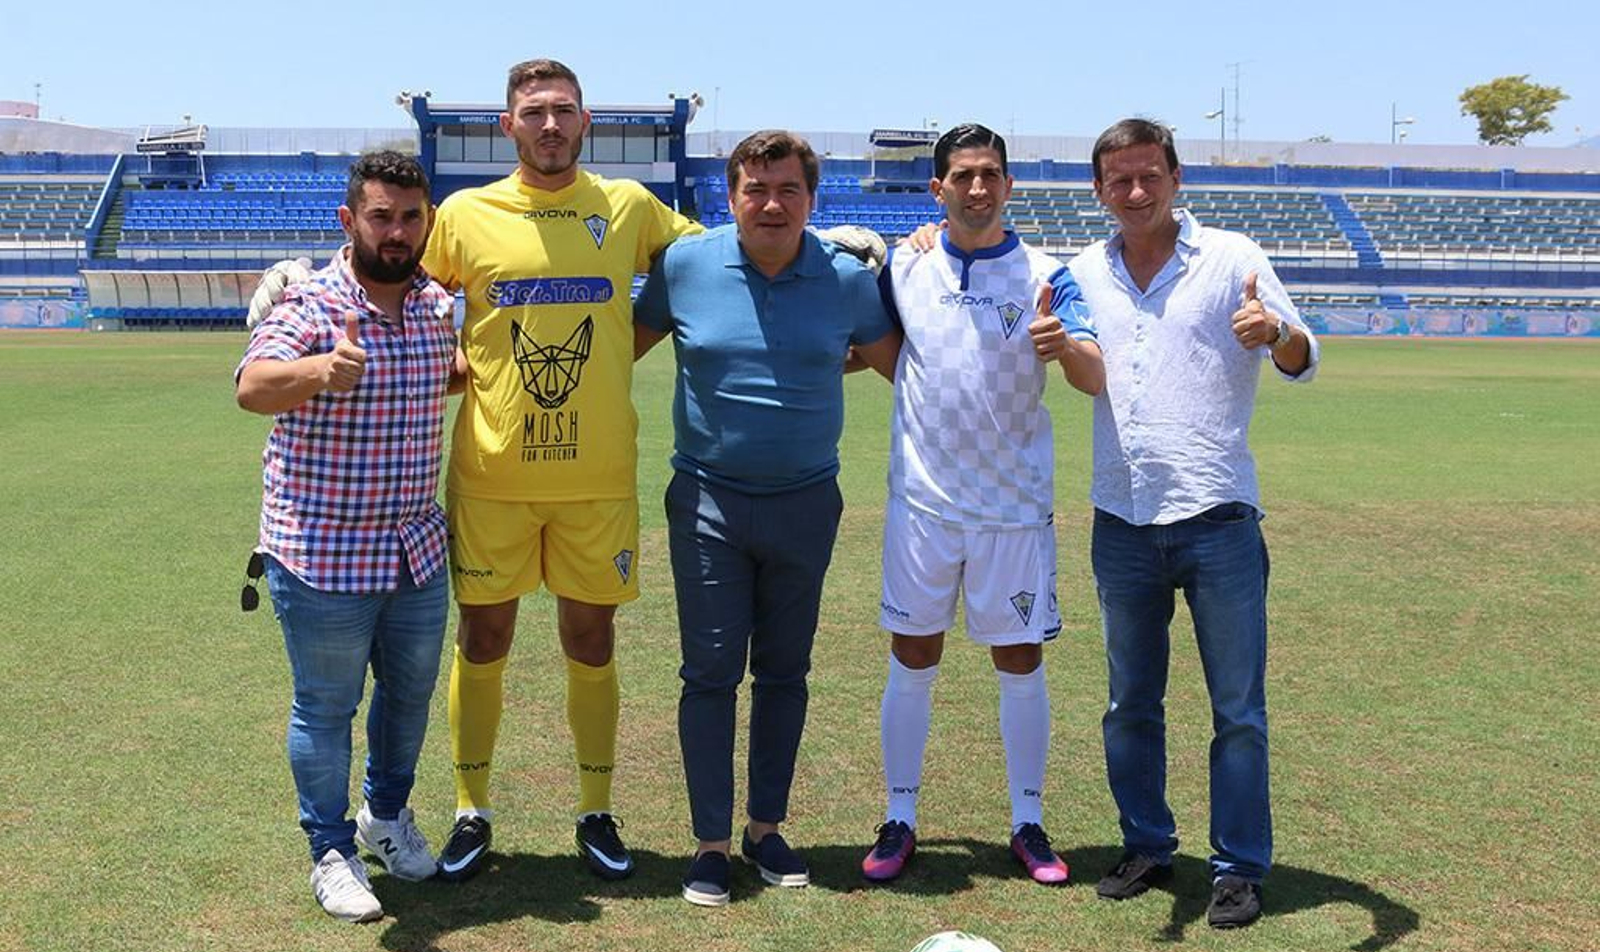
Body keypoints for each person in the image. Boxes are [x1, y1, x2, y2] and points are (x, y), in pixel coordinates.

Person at [419, 59, 703, 883]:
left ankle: (596, 809)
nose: (550, 125)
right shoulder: (464, 216)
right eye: (534, 112)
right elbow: (408, 305)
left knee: (591, 635)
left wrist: (834, 244)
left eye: (564, 111)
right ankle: (472, 810)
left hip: (596, 476)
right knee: (484, 636)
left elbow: (719, 257)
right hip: (492, 475)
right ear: (507, 126)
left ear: (587, 123)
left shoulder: (627, 207)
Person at [633, 130, 901, 907]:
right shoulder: (684, 265)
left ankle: (766, 828)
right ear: (732, 196)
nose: (772, 203)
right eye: (756, 189)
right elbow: (617, 349)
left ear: (812, 199)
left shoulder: (847, 278)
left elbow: (904, 363)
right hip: (708, 502)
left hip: (808, 503)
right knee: (710, 673)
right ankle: (711, 843)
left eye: (788, 189)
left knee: (786, 672)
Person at [1069, 119, 1319, 928]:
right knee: (1129, 704)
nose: (1136, 192)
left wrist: (1275, 332)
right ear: (1100, 190)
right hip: (1123, 517)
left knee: (1237, 709)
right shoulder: (1084, 270)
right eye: (1119, 180)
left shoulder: (1233, 258)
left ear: (1176, 178)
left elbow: (1304, 356)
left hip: (1219, 520)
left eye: (1149, 176)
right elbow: (989, 249)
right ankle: (1147, 843)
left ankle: (1239, 867)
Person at [857, 124, 1104, 887]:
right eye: (962, 174)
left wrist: (1065, 345)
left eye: (990, 173)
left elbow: (1095, 377)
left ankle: (1028, 821)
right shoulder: (904, 263)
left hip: (1014, 507)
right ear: (937, 188)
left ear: (1007, 185)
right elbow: (872, 342)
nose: (977, 186)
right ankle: (900, 817)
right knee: (912, 654)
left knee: (1019, 659)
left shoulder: (1048, 273)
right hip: (924, 506)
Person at [235, 151, 460, 922]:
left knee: (410, 695)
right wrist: (319, 370)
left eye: (409, 217)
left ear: (426, 219)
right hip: (323, 551)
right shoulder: (311, 304)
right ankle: (329, 849)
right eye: (380, 216)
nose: (396, 232)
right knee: (326, 708)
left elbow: (449, 370)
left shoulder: (435, 305)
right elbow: (250, 387)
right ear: (348, 221)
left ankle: (385, 817)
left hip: (416, 548)